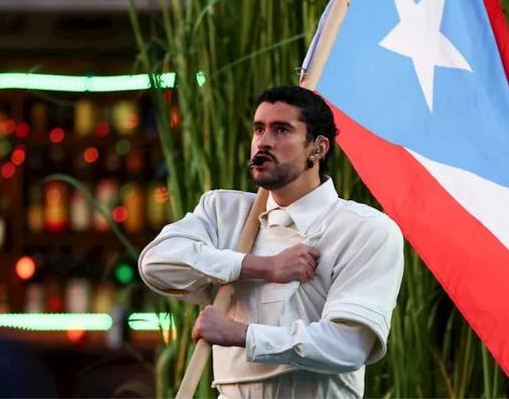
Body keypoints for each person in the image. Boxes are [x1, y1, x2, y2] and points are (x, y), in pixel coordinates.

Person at [138, 85, 404, 398]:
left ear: (317, 149)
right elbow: (155, 263)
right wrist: (260, 267)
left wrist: (242, 334)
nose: (264, 142)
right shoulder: (224, 212)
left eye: (281, 130)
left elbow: (348, 346)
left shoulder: (364, 229)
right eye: (259, 129)